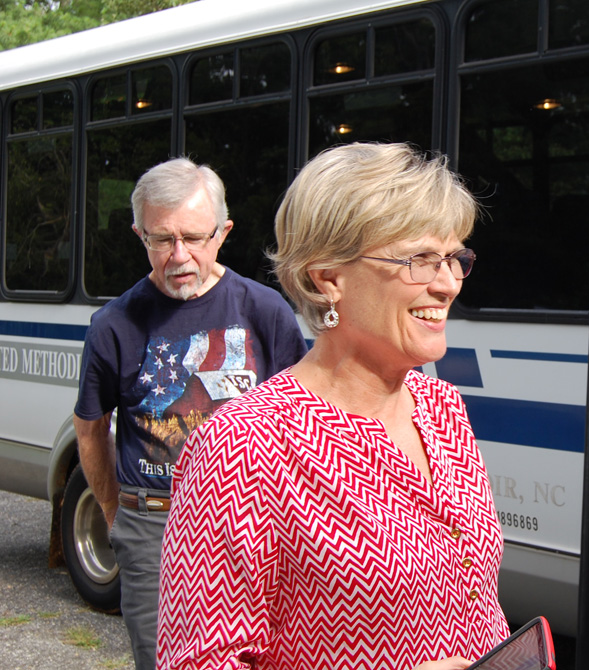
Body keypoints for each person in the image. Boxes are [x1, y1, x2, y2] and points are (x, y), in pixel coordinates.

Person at [156, 143, 509, 670]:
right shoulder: (247, 447)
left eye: (456, 257)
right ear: (327, 279)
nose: (448, 283)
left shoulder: (441, 406)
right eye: (419, 259)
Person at [72, 157, 308, 670]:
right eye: (162, 239)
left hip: (253, 528)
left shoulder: (265, 311)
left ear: (222, 233)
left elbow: (303, 421)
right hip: (152, 528)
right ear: (140, 235)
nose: (180, 255)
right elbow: (89, 429)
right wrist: (118, 516)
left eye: (195, 238)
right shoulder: (113, 324)